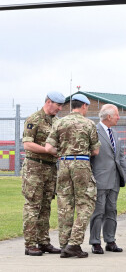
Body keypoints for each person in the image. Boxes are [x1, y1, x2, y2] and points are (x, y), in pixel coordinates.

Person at [45, 94, 100, 258]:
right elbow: (96, 150)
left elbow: (48, 148)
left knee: (64, 205)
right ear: (84, 106)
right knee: (86, 203)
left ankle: (64, 245)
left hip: (63, 164)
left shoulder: (59, 122)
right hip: (81, 164)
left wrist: (63, 153)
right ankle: (74, 244)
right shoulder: (89, 123)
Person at [21, 91, 65, 256]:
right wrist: (48, 151)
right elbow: (27, 144)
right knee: (33, 205)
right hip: (35, 168)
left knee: (46, 206)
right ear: (48, 102)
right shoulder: (34, 120)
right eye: (58, 105)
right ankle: (30, 244)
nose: (59, 109)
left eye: (61, 106)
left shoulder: (57, 122)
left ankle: (44, 242)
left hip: (51, 169)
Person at [89, 104, 126, 254]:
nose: (118, 117)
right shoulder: (94, 132)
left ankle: (110, 240)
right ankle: (95, 242)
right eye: (116, 115)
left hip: (115, 179)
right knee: (98, 211)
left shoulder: (115, 134)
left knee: (112, 210)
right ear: (109, 116)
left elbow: (120, 157)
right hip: (100, 178)